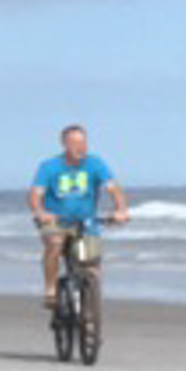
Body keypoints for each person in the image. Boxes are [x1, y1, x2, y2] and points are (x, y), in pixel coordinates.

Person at [29, 123, 130, 305]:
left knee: (91, 264)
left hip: (86, 222)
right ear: (64, 145)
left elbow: (113, 188)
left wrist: (121, 209)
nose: (80, 148)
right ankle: (50, 287)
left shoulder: (95, 164)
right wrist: (40, 212)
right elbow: (36, 194)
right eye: (75, 144)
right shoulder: (49, 167)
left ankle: (90, 308)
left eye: (83, 143)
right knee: (55, 243)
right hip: (56, 221)